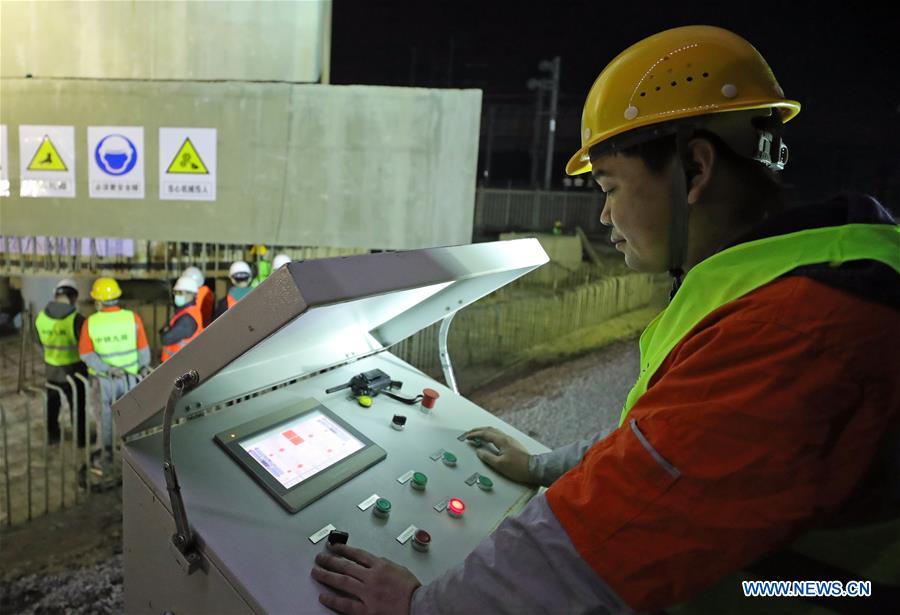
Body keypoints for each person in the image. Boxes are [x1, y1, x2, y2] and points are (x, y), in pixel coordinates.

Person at [310, 26, 900, 614]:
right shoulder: (814, 267)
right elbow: (656, 439)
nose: (603, 215)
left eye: (611, 186)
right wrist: (537, 466)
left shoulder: (796, 328)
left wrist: (422, 607)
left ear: (694, 171)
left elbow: (606, 536)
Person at [79, 277, 151, 466]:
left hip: (105, 381)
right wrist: (141, 369)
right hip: (132, 380)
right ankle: (137, 458)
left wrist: (108, 368)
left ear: (99, 301)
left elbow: (86, 354)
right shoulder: (132, 318)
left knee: (105, 417)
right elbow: (144, 351)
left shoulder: (91, 322)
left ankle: (106, 456)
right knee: (133, 416)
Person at [34, 279, 87, 446]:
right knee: (77, 406)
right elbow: (85, 345)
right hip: (74, 369)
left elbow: (37, 341)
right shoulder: (77, 319)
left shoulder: (40, 317)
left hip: (51, 369)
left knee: (52, 404)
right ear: (74, 297)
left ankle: (52, 435)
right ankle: (80, 439)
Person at [160, 275, 204, 362]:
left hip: (178, 366)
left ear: (191, 294)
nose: (176, 296)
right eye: (175, 292)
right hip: (178, 364)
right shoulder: (186, 312)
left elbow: (165, 339)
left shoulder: (187, 319)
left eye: (180, 293)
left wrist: (166, 331)